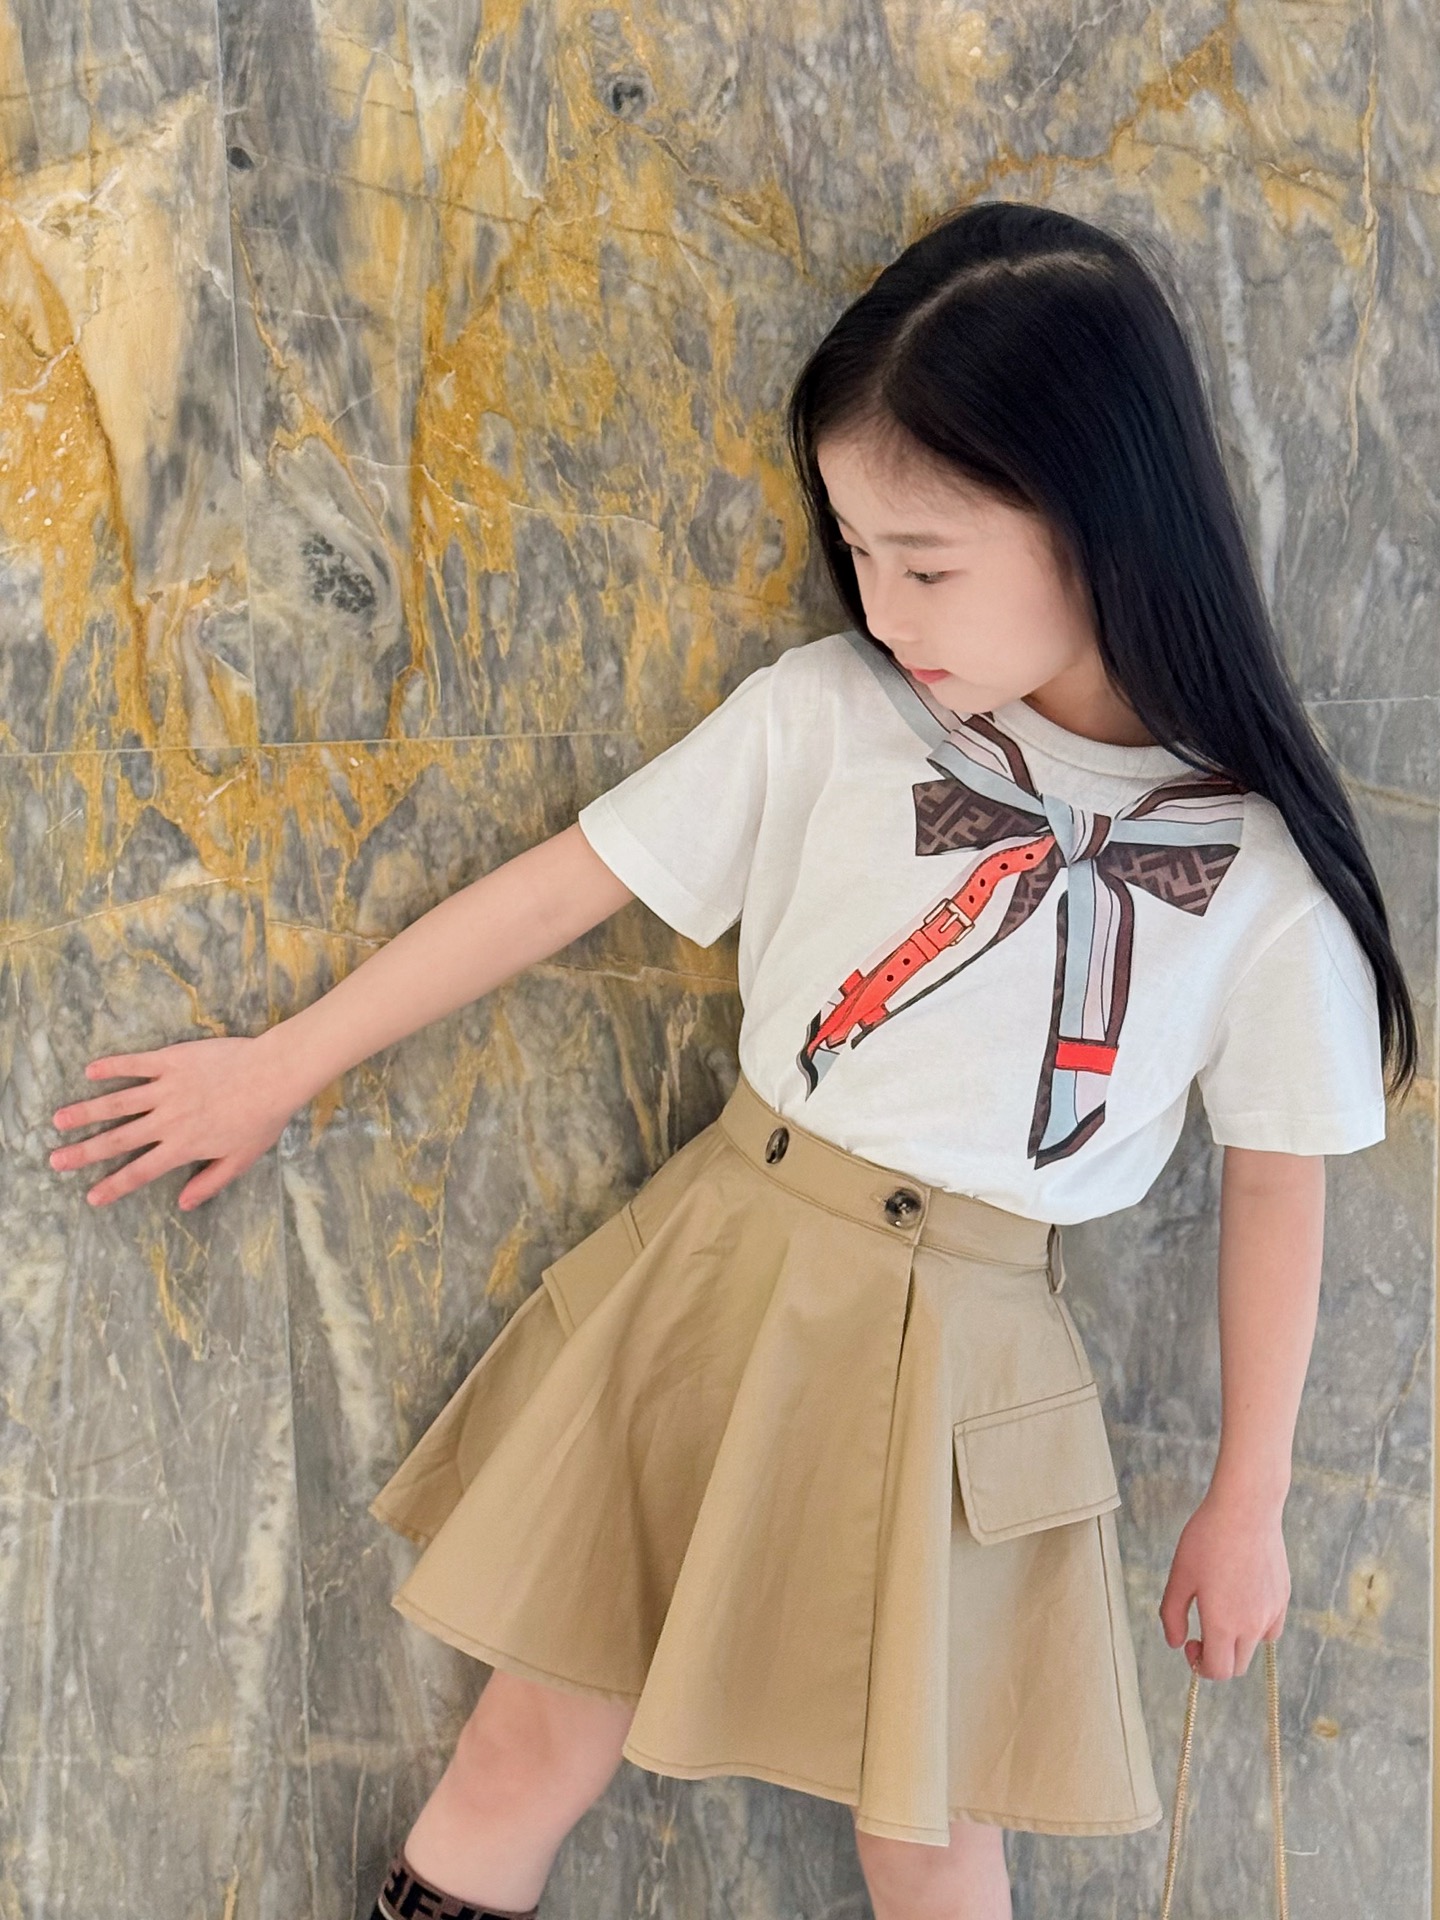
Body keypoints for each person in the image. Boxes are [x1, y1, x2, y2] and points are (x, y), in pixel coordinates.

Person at [47, 201, 1415, 1920]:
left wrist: (1251, 1499)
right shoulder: (831, 715)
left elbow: (1280, 1192)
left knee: (931, 1836)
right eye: (857, 551)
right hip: (718, 1281)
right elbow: (562, 886)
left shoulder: (1262, 884)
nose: (883, 605)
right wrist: (283, 1064)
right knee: (531, 1734)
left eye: (928, 562)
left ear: (1100, 520)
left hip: (971, 1365)